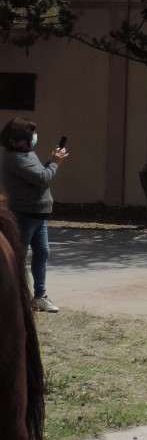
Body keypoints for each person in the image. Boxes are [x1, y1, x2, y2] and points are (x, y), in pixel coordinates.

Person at [1, 117, 69, 313]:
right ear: (21, 135)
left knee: (42, 252)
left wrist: (50, 160)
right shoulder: (15, 157)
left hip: (38, 213)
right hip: (24, 213)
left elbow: (39, 172)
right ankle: (15, 297)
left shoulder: (26, 154)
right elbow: (41, 177)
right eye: (32, 132)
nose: (34, 136)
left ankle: (39, 296)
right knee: (17, 256)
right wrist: (55, 163)